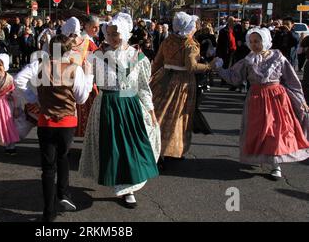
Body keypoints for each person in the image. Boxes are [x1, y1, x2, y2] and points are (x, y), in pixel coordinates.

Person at [79, 12, 160, 209]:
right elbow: (87, 82)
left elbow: (142, 87)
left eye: (116, 34)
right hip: (106, 103)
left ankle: (128, 188)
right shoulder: (96, 55)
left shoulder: (137, 57)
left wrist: (151, 112)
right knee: (112, 148)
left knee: (130, 148)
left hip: (129, 104)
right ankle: (117, 181)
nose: (112, 37)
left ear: (124, 34)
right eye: (109, 33)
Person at [15, 34, 94, 222]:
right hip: (67, 122)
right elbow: (82, 98)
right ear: (67, 51)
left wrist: (35, 99)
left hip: (45, 121)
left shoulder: (39, 66)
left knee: (48, 167)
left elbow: (18, 80)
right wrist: (89, 75)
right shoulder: (75, 69)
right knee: (63, 157)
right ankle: (63, 193)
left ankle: (48, 211)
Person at [213, 28, 309, 180]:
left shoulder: (278, 57)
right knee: (259, 131)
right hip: (256, 100)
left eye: (257, 41)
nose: (254, 45)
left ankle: (276, 165)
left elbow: (291, 80)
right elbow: (234, 77)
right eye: (251, 42)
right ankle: (262, 157)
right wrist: (219, 68)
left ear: (264, 41)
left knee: (276, 131)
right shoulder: (248, 60)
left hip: (277, 99)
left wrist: (300, 99)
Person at [150, 12, 212, 166]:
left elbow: (157, 62)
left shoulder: (168, 41)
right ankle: (170, 152)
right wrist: (210, 66)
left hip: (163, 78)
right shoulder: (189, 44)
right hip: (181, 82)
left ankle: (154, 147)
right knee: (177, 117)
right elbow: (191, 66)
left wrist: (151, 78)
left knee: (159, 113)